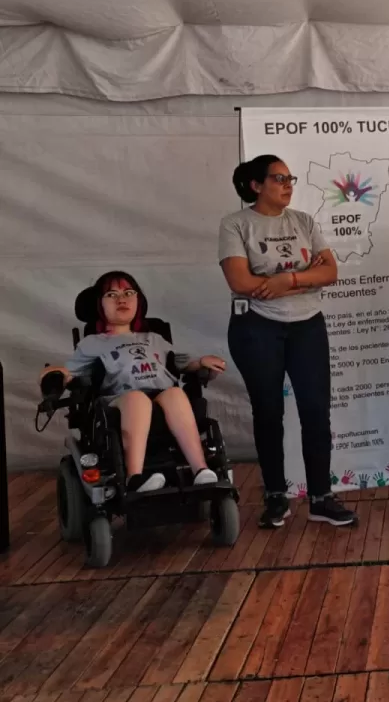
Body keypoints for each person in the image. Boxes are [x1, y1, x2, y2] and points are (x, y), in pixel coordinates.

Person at [218, 154, 358, 529]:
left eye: (290, 178)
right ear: (255, 185)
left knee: (316, 411)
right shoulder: (236, 224)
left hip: (307, 326)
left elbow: (330, 272)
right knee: (268, 412)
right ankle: (275, 496)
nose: (288, 185)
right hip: (256, 328)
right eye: (279, 178)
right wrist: (304, 277)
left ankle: (320, 498)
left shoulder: (304, 221)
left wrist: (287, 281)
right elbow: (240, 282)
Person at [41, 271, 223, 493]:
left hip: (161, 395)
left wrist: (202, 363)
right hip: (117, 399)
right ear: (99, 304)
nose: (122, 299)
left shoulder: (155, 338)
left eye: (128, 293)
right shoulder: (92, 343)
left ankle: (200, 470)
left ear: (139, 300)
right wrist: (52, 376)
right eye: (112, 294)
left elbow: (181, 363)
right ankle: (134, 477)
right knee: (137, 399)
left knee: (176, 394)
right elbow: (68, 372)